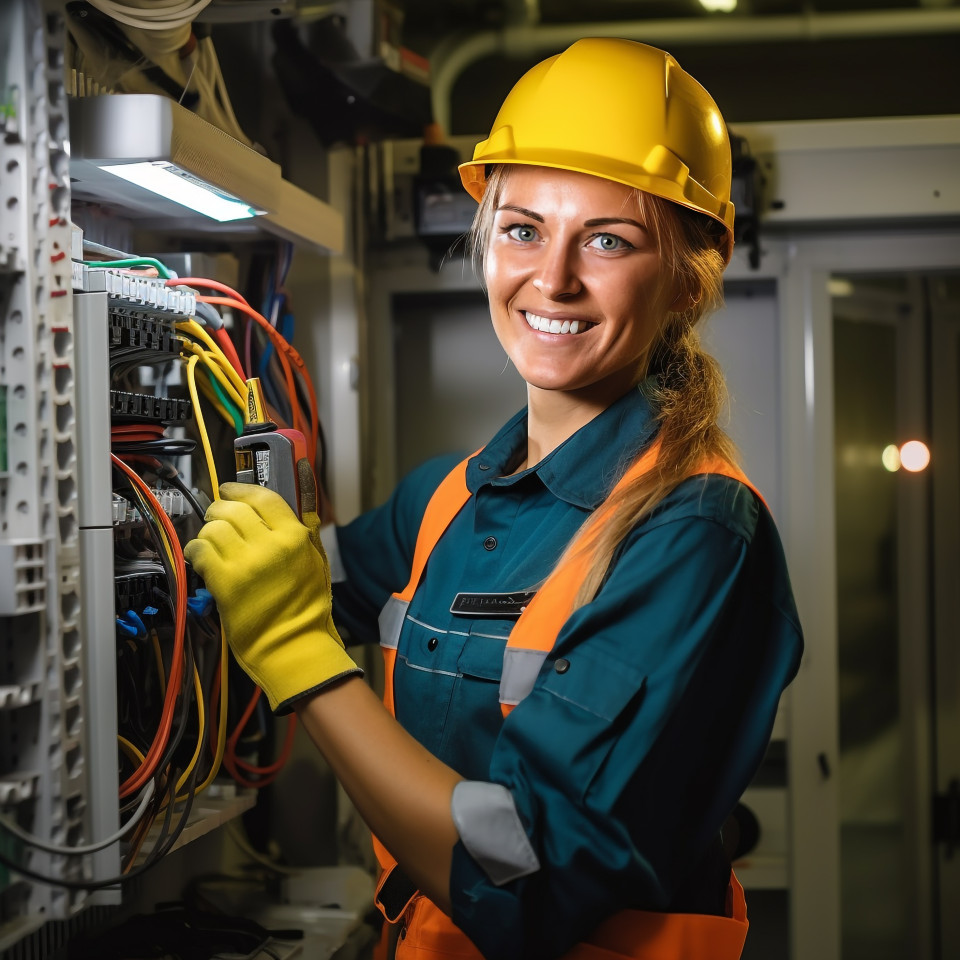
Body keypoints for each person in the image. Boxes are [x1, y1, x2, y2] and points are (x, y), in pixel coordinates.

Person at [185, 37, 803, 960]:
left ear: (686, 275)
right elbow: (270, 587)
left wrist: (298, 653)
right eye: (522, 228)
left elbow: (528, 881)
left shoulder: (698, 533)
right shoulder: (446, 500)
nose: (551, 279)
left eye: (608, 239)